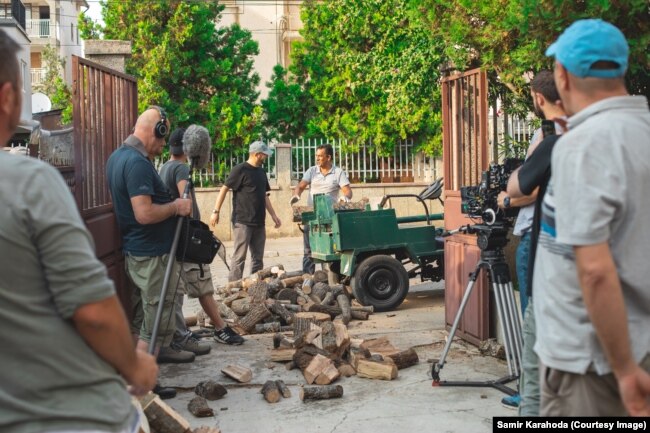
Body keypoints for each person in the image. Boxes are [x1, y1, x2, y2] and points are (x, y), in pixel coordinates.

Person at [0, 29, 158, 433]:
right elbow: (94, 313)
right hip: (70, 418)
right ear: (7, 98)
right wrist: (135, 365)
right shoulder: (26, 182)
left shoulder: (116, 160)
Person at [535, 19, 650, 416]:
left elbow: (596, 272)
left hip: (590, 362)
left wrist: (625, 372)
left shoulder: (582, 146)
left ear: (562, 76)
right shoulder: (642, 130)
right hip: (636, 342)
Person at [106, 106, 192, 398]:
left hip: (136, 252)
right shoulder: (138, 164)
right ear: (157, 130)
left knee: (140, 321)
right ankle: (138, 390)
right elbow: (143, 213)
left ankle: (139, 381)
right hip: (152, 255)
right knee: (155, 322)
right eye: (161, 138)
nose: (162, 147)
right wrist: (176, 206)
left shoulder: (117, 157)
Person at [497, 70, 566, 413]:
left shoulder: (550, 136)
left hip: (539, 240)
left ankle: (529, 394)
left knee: (532, 323)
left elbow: (527, 187)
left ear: (539, 98)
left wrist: (506, 199)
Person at [160, 127, 245, 346]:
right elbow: (184, 202)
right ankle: (220, 328)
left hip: (172, 238)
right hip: (187, 237)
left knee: (176, 291)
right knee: (202, 285)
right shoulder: (179, 169)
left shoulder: (164, 167)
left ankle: (179, 333)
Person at [210, 141, 281, 281]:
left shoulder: (261, 172)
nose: (266, 157)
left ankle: (255, 287)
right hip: (242, 221)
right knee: (239, 257)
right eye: (264, 154)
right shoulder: (240, 170)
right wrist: (215, 211)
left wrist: (273, 215)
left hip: (259, 221)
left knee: (258, 259)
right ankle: (233, 289)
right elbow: (224, 189)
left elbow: (264, 195)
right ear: (257, 154)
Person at [291, 143, 352, 274]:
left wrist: (345, 198)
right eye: (316, 156)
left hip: (329, 218)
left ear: (328, 157)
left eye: (320, 156)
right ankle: (308, 277)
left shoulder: (338, 172)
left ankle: (329, 278)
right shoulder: (312, 171)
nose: (317, 158)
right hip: (312, 216)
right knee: (308, 250)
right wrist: (296, 194)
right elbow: (301, 186)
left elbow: (348, 191)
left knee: (329, 249)